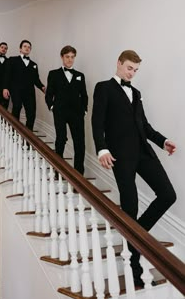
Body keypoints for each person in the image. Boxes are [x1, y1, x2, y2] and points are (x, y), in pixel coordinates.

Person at [91, 50, 177, 287]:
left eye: (136, 70)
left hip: (144, 153)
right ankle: (134, 265)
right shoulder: (104, 88)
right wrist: (102, 149)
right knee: (130, 206)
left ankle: (136, 234)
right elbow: (97, 122)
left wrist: (162, 141)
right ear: (118, 63)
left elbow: (144, 125)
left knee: (168, 195)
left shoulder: (136, 92)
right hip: (120, 156)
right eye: (129, 68)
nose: (132, 73)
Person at [45, 45, 88, 175]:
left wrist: (84, 109)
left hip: (77, 113)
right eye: (67, 57)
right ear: (62, 57)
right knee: (61, 138)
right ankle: (58, 169)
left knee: (80, 142)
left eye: (72, 57)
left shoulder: (80, 75)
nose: (70, 60)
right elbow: (49, 93)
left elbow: (84, 94)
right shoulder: (53, 74)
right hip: (60, 111)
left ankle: (79, 173)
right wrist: (52, 106)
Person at [3, 40, 45, 130]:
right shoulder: (12, 60)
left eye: (29, 47)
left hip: (29, 92)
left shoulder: (34, 65)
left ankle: (29, 136)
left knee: (31, 113)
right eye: (25, 46)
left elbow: (36, 80)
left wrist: (43, 87)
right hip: (16, 90)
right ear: (20, 49)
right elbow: (7, 75)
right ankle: (14, 131)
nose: (27, 48)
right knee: (17, 107)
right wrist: (5, 88)